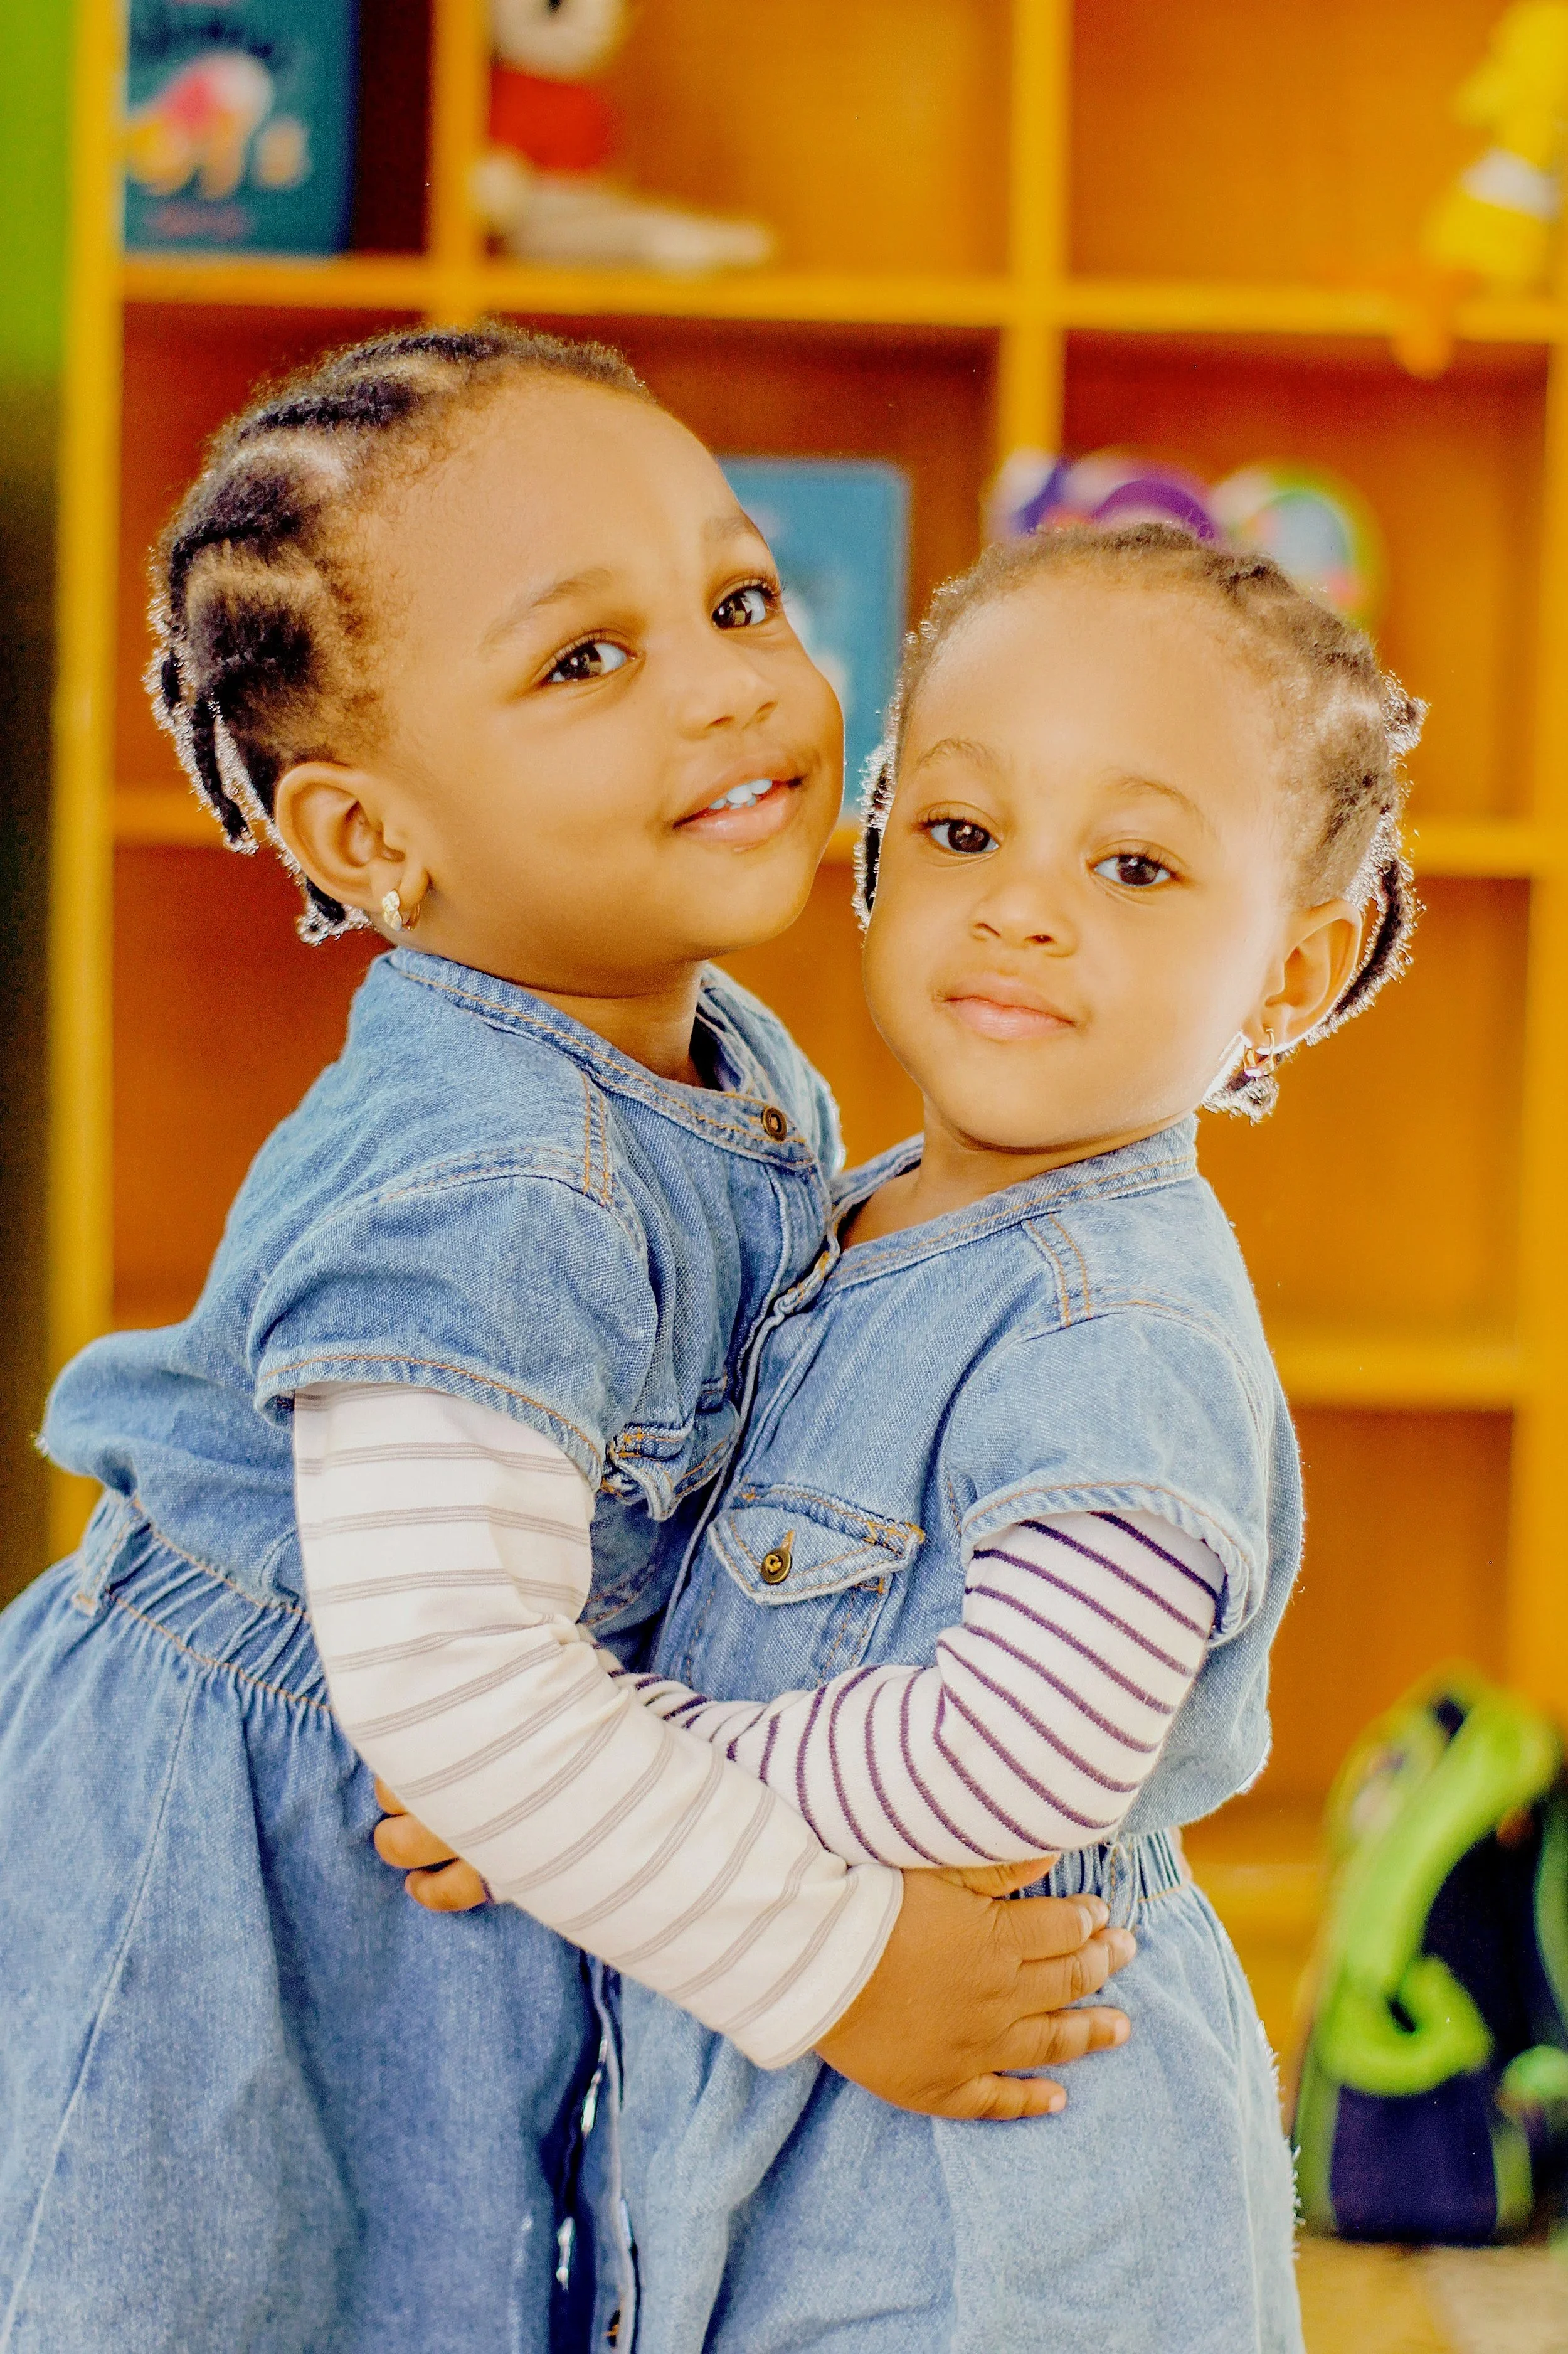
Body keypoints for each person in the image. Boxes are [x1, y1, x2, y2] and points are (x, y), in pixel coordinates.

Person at [0, 326, 1128, 2354]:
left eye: (737, 597)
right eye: (581, 663)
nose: (724, 681)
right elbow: (444, 1682)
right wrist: (845, 1965)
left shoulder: (711, 1041)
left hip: (464, 1821)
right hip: (214, 1889)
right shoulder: (491, 1179)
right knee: (187, 2290)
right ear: (366, 840)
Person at [369, 521, 1420, 2351]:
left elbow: (1020, 1757)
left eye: (1136, 863)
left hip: (997, 2195)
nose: (1021, 904)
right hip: (784, 2133)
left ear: (1292, 973)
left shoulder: (1116, 1320)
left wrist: (577, 1783)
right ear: (868, 858)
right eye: (959, 832)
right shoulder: (833, 1221)